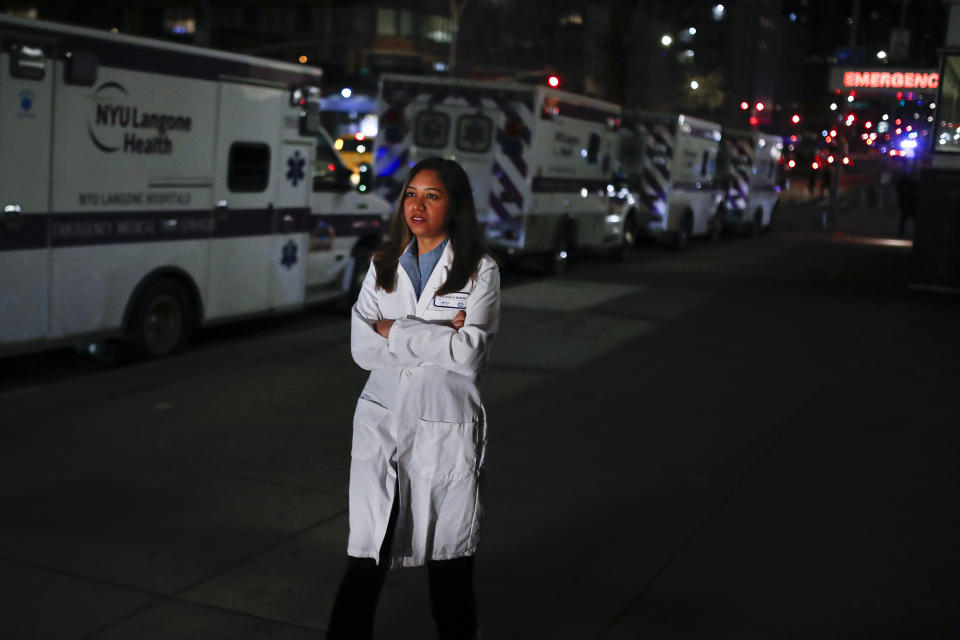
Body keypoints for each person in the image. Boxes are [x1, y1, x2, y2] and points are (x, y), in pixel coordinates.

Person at [327, 157, 501, 640]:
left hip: (444, 426)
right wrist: (438, 333)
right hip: (382, 421)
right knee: (367, 551)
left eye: (432, 195)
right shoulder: (382, 266)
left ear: (456, 206)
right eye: (411, 194)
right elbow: (364, 349)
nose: (417, 205)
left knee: (450, 559)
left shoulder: (479, 271)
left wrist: (395, 329)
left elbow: (467, 356)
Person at [896, 171, 919, 237]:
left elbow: (899, 189)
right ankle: (916, 232)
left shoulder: (902, 181)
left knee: (903, 219)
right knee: (914, 219)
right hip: (912, 203)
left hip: (904, 203)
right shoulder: (914, 183)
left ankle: (901, 232)